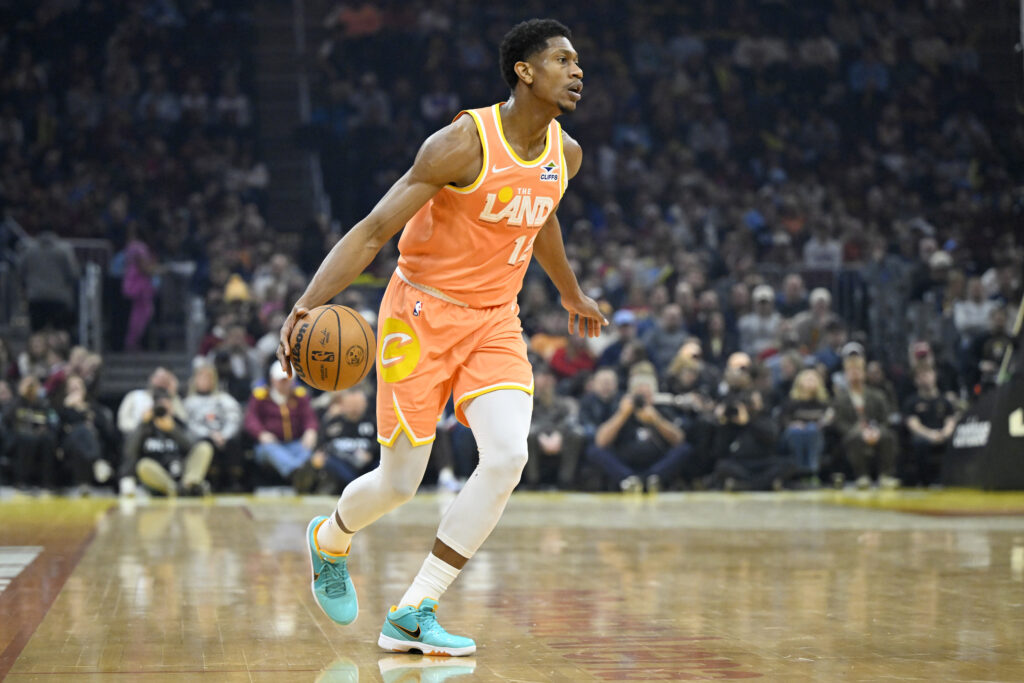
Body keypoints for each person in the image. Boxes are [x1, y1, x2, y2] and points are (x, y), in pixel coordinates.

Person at [277, 19, 603, 656]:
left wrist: (569, 291)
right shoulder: (461, 142)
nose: (577, 71)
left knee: (508, 457)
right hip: (418, 315)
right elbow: (373, 231)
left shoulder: (566, 154)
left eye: (578, 62)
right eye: (563, 60)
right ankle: (330, 539)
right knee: (399, 483)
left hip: (495, 321)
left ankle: (413, 609)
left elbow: (541, 218)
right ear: (524, 71)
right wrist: (306, 304)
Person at [243, 363, 319, 485]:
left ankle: (299, 474)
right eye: (281, 381)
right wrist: (261, 434)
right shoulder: (260, 397)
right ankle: (297, 472)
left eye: (287, 381)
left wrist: (310, 431)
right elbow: (251, 419)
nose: (284, 384)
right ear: (272, 379)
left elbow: (309, 417)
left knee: (307, 449)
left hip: (294, 443)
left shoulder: (300, 397)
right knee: (270, 450)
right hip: (270, 444)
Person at [831, 354, 899, 489]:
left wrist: (876, 431)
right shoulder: (840, 399)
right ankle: (862, 476)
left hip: (875, 429)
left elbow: (885, 418)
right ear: (845, 375)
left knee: (888, 436)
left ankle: (885, 475)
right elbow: (839, 422)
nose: (855, 374)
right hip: (852, 433)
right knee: (855, 437)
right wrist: (859, 431)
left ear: (864, 373)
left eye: (858, 370)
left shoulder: (877, 395)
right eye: (851, 371)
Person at [902, 365, 957, 486]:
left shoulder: (945, 401)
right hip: (923, 435)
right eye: (921, 376)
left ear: (934, 376)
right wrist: (931, 435)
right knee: (919, 443)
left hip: (942, 433)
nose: (925, 378)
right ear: (916, 380)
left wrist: (944, 433)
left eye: (927, 374)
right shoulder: (911, 401)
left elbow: (951, 421)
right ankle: (925, 481)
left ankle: (952, 478)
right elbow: (913, 425)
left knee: (957, 440)